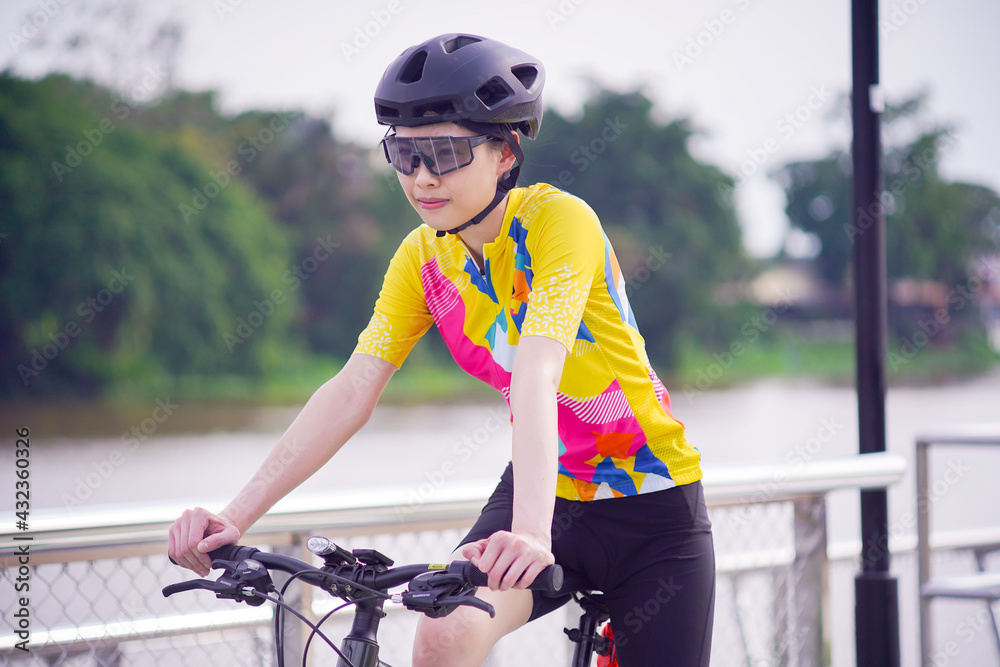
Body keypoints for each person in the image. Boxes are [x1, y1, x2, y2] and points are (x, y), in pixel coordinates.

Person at [169, 33, 715, 666]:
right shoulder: (422, 258)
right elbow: (351, 390)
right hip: (544, 494)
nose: (422, 178)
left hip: (653, 508)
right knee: (444, 627)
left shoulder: (559, 224)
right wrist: (234, 515)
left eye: (447, 153)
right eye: (404, 155)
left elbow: (538, 374)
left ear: (506, 154)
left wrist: (531, 536)